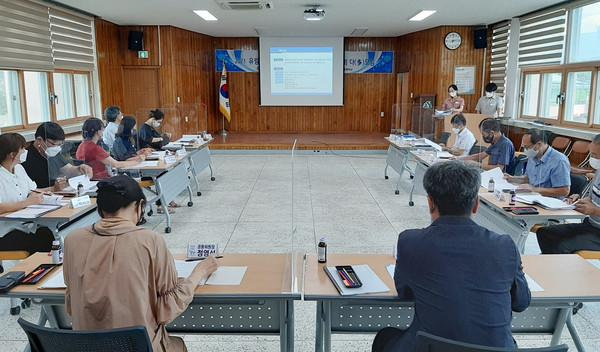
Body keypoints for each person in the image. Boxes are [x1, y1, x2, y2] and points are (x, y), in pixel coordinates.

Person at [371, 161, 531, 352]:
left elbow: (405, 292)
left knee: (385, 337)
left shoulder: (410, 241)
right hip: (497, 349)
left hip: (430, 348)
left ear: (430, 203)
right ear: (476, 205)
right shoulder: (505, 245)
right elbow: (521, 302)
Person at [63, 175, 219, 352]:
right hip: (139, 347)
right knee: (177, 345)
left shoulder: (72, 240)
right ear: (140, 206)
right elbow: (166, 310)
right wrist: (199, 272)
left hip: (87, 347)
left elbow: (70, 305)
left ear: (99, 210)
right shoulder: (150, 240)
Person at [536, 134, 600, 254]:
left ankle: (558, 270)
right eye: (591, 154)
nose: (591, 158)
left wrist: (594, 210)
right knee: (544, 233)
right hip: (590, 225)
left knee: (562, 247)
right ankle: (551, 267)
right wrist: (580, 199)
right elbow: (593, 197)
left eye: (594, 155)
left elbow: (595, 208)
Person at [0, 133, 55, 256]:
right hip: (6, 231)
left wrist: (43, 193)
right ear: (12, 155)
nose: (25, 151)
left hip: (26, 225)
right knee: (37, 243)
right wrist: (26, 203)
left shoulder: (19, 168)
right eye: (22, 149)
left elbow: (31, 189)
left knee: (48, 234)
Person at [22, 122, 93, 189]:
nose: (56, 148)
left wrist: (79, 169)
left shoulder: (53, 153)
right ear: (39, 140)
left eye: (60, 145)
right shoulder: (26, 159)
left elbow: (69, 170)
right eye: (54, 144)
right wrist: (52, 189)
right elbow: (29, 189)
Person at [505, 128, 570, 197]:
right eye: (523, 146)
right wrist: (512, 178)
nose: (525, 150)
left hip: (549, 202)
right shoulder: (533, 156)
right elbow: (528, 179)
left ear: (539, 144)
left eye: (527, 147)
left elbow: (564, 191)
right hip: (531, 197)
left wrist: (535, 189)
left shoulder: (559, 161)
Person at [76, 118, 145, 179]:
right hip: (101, 180)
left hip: (90, 180)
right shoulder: (95, 148)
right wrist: (137, 162)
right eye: (103, 129)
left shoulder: (81, 145)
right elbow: (116, 164)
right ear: (98, 132)